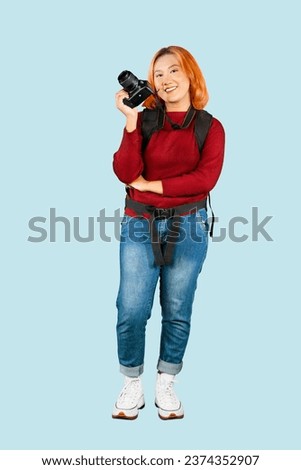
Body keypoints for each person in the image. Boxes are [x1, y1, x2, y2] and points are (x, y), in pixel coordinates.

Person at [112, 45, 225, 420]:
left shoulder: (210, 127)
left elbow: (205, 180)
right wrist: (130, 120)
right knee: (131, 309)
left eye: (174, 70)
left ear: (190, 75)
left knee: (178, 309)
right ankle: (132, 382)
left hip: (189, 226)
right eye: (158, 74)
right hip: (139, 223)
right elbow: (125, 172)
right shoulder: (144, 121)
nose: (165, 80)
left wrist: (153, 184)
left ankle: (166, 380)